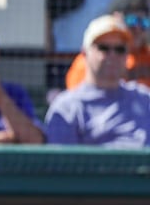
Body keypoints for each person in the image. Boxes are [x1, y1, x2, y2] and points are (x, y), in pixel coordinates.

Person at [45, 14, 150, 147]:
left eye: (120, 49)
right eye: (103, 48)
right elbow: (61, 164)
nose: (112, 55)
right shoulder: (68, 107)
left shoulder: (144, 98)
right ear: (84, 53)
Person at [64, 0, 150, 90]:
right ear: (117, 19)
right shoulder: (92, 58)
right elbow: (81, 95)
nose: (138, 28)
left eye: (144, 22)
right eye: (132, 21)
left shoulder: (147, 55)